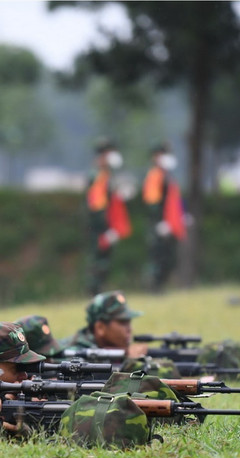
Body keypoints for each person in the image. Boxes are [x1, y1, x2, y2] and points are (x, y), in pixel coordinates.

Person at [60, 290, 179, 378]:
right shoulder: (74, 350)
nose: (130, 329)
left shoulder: (110, 347)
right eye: (123, 323)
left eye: (129, 323)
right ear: (100, 328)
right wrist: (127, 358)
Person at [85, 138, 132, 296]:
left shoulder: (107, 175)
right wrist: (105, 230)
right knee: (98, 263)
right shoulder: (98, 176)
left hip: (106, 228)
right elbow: (97, 207)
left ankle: (98, 293)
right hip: (99, 229)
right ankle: (93, 294)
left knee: (105, 263)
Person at [141, 143, 186, 292]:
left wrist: (181, 215)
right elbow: (152, 203)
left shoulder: (167, 176)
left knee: (167, 257)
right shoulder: (154, 176)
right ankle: (154, 287)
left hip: (168, 224)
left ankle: (161, 286)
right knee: (157, 257)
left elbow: (174, 200)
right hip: (158, 225)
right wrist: (160, 222)